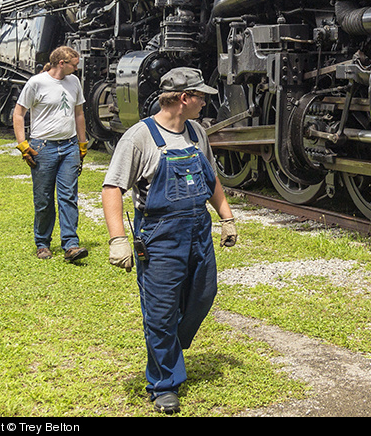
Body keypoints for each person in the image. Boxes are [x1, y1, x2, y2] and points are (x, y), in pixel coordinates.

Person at [101, 67, 237, 415]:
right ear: (184, 98)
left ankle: (169, 347)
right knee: (161, 312)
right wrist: (117, 238)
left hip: (197, 230)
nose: (205, 102)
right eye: (201, 97)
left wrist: (226, 217)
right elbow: (112, 187)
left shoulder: (197, 132)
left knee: (203, 294)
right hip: (159, 236)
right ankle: (164, 384)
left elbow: (210, 178)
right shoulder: (139, 137)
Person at [13, 45, 90, 263]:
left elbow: (79, 113)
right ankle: (42, 244)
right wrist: (23, 145)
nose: (77, 69)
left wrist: (82, 143)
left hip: (69, 147)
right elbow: (18, 114)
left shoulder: (74, 82)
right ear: (61, 63)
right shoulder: (37, 83)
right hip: (43, 147)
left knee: (68, 196)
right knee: (44, 199)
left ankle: (71, 245)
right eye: (74, 65)